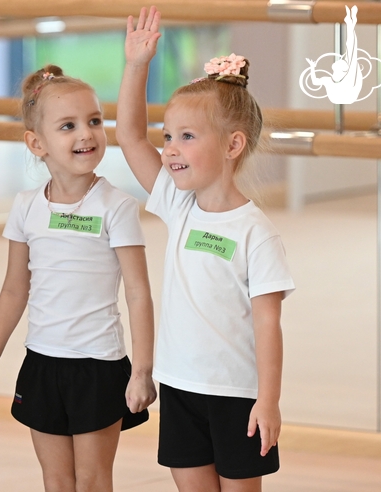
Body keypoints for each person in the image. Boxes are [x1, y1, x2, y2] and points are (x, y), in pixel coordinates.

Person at [117, 7, 296, 492]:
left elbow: (268, 324)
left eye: (187, 137)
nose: (170, 148)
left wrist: (269, 400)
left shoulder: (256, 233)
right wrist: (137, 66)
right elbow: (130, 136)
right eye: (169, 136)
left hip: (238, 396)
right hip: (179, 388)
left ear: (233, 144)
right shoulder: (178, 205)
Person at [0, 65, 156, 492]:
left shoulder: (117, 206)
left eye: (94, 121)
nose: (86, 134)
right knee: (56, 481)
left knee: (91, 481)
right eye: (68, 126)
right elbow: (15, 289)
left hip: (98, 365)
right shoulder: (25, 206)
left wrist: (142, 370)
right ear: (37, 143)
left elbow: (138, 292)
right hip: (42, 363)